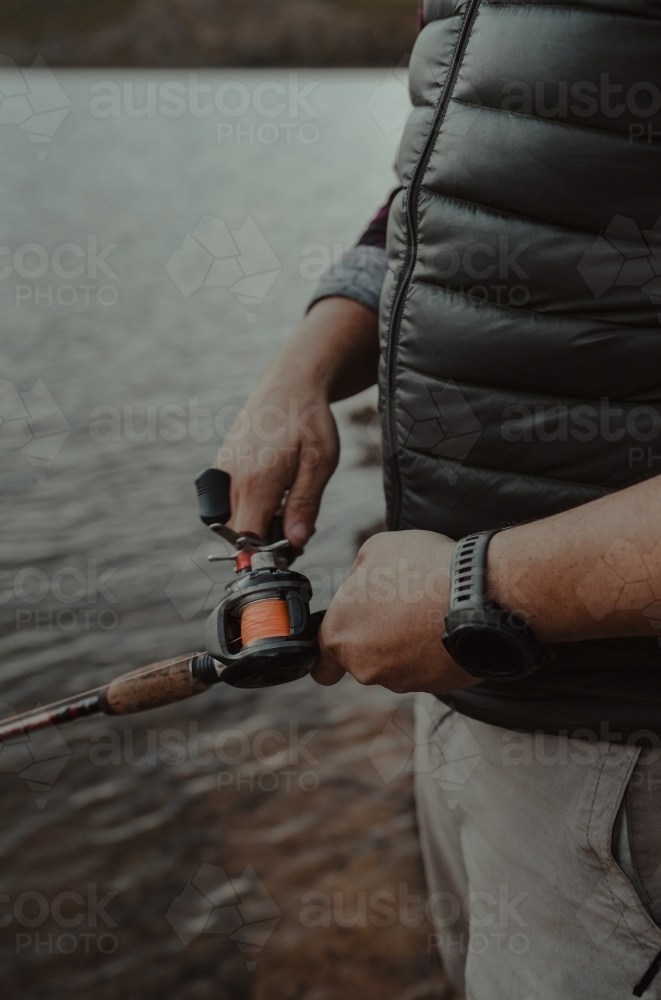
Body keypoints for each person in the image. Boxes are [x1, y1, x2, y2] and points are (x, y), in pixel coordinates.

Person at [215, 1, 661, 995]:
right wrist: (304, 363)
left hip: (619, 742)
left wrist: (479, 589)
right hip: (468, 694)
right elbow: (456, 194)